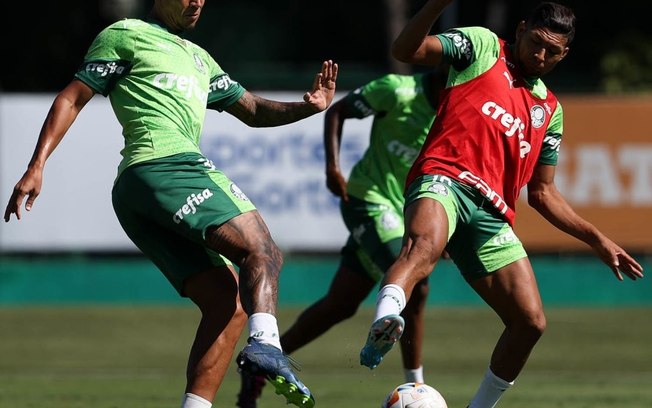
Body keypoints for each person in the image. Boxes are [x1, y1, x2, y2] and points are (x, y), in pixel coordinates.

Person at [3, 1, 337, 408]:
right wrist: (37, 165)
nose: (197, 2)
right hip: (164, 166)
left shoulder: (200, 58)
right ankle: (266, 343)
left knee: (228, 304)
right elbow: (73, 98)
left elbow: (250, 109)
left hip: (136, 197)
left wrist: (309, 107)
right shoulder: (125, 34)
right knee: (261, 249)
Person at [358, 1, 645, 407]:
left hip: (491, 216)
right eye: (536, 42)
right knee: (423, 248)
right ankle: (386, 317)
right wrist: (436, 6)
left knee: (530, 322)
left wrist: (597, 240)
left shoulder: (550, 110)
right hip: (445, 179)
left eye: (552, 51)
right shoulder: (483, 46)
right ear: (522, 29)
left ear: (565, 54)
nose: (540, 55)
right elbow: (407, 52)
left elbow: (543, 194)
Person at [236, 68, 448, 408]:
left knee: (340, 305)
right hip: (368, 199)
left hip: (406, 213)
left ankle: (264, 362)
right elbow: (338, 111)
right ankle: (417, 385)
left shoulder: (459, 107)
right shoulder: (397, 91)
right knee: (416, 282)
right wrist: (333, 167)